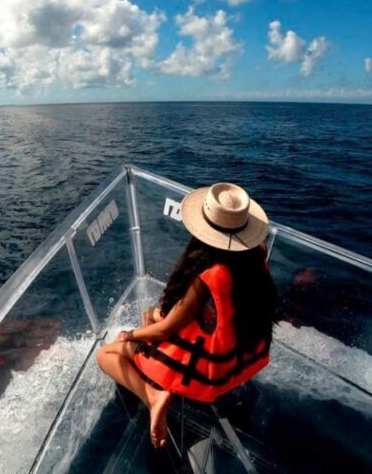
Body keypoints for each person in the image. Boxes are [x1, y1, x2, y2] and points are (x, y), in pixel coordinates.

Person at [96, 182, 278, 449]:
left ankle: (153, 395)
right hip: (239, 358)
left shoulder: (209, 275)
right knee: (150, 314)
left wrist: (128, 335)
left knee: (108, 354)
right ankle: (153, 374)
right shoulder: (256, 259)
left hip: (208, 372)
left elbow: (164, 331)